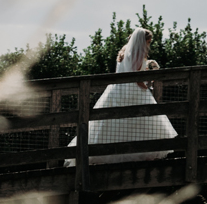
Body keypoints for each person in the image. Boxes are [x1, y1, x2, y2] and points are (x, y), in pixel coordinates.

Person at [66, 26, 177, 168]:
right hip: (133, 91)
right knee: (139, 121)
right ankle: (137, 155)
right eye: (148, 42)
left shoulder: (123, 51)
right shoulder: (139, 52)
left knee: (112, 123)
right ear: (144, 41)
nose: (148, 45)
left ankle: (102, 154)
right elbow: (137, 78)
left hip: (117, 90)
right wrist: (148, 84)